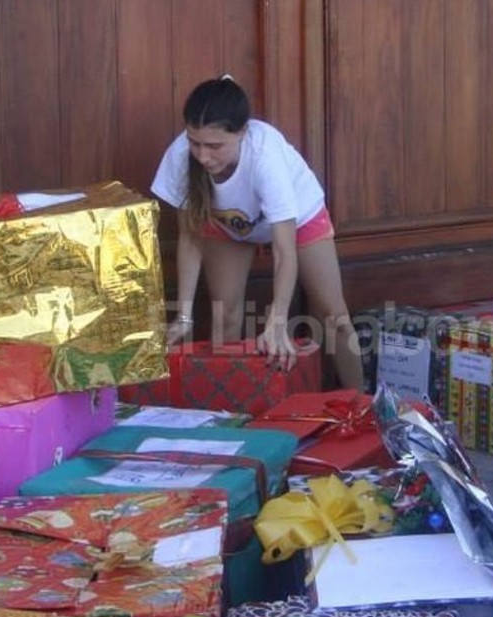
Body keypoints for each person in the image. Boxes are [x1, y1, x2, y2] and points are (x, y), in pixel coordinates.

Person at [150, 76, 363, 390]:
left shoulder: (265, 156)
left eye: (215, 146)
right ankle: (226, 412)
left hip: (297, 219)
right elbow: (190, 238)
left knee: (335, 316)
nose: (203, 156)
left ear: (243, 133)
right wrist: (183, 315)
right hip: (228, 221)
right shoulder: (181, 155)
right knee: (224, 314)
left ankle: (361, 405)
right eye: (195, 142)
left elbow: (284, 251)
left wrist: (277, 321)